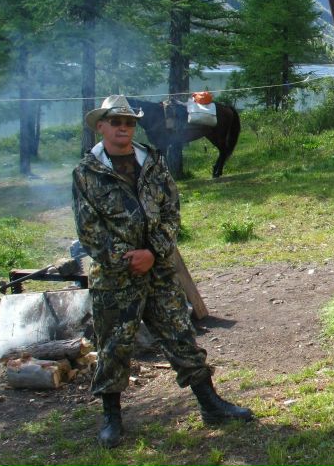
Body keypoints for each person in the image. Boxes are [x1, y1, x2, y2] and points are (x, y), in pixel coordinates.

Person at [72, 95, 253, 449]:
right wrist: (127, 257)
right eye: (116, 122)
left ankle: (210, 405)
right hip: (115, 277)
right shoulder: (86, 173)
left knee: (180, 335)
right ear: (101, 126)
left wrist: (153, 253)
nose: (124, 127)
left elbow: (172, 211)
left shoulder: (152, 162)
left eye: (129, 122)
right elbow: (88, 230)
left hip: (159, 271)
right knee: (113, 345)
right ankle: (112, 417)